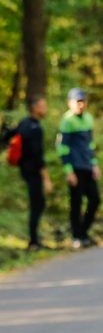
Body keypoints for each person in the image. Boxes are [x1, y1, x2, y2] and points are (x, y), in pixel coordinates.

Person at [1, 95, 54, 250]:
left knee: (38, 203)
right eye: (43, 105)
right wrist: (46, 179)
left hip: (25, 170)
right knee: (37, 204)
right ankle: (34, 242)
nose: (45, 108)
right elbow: (38, 156)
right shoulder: (35, 128)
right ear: (35, 108)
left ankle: (35, 239)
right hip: (33, 172)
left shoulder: (24, 123)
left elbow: (6, 136)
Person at [56, 88, 101, 250]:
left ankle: (83, 233)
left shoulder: (88, 118)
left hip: (87, 165)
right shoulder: (67, 121)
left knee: (95, 200)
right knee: (76, 203)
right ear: (70, 103)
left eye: (83, 101)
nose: (81, 105)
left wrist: (94, 163)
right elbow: (62, 148)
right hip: (75, 167)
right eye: (78, 101)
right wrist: (69, 171)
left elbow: (90, 144)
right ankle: (76, 236)